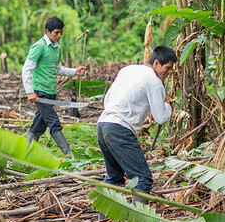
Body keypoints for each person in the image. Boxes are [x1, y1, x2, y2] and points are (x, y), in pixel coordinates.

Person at [97, 46, 176, 196]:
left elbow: (108, 98)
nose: (169, 72)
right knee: (143, 178)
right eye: (167, 68)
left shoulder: (128, 70)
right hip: (120, 129)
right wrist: (168, 106)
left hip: (103, 124)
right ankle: (140, 219)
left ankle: (102, 219)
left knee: (114, 178)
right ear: (156, 63)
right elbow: (160, 117)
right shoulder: (154, 82)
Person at [22, 16, 86, 156]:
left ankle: (24, 153)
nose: (59, 35)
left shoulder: (57, 49)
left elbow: (57, 69)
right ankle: (69, 155)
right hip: (40, 92)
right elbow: (26, 69)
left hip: (51, 92)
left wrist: (75, 71)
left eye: (61, 32)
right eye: (56, 32)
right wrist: (30, 92)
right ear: (48, 31)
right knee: (53, 122)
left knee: (39, 124)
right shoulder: (39, 47)